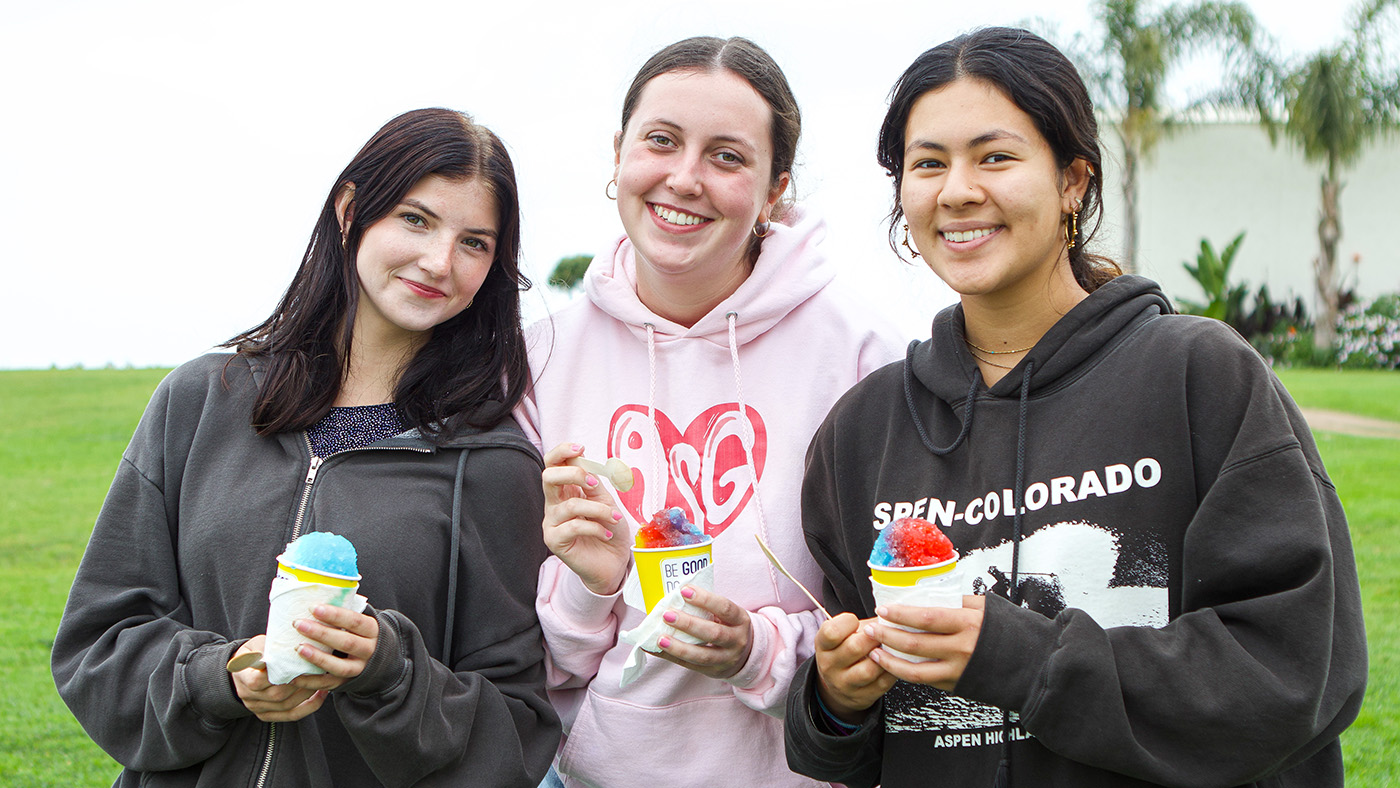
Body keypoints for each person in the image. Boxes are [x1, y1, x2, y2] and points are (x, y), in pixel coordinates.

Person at [785, 27, 1367, 788]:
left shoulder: (1199, 374)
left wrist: (1014, 655)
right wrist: (835, 700)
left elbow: (1293, 674)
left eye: (995, 156)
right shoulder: (862, 433)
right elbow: (858, 749)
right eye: (928, 163)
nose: (957, 189)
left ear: (1073, 182)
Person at [52, 108, 561, 787]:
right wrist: (219, 680)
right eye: (415, 219)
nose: (440, 261)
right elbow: (99, 643)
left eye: (474, 242)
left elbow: (516, 731)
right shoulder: (199, 400)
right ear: (352, 211)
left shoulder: (496, 464)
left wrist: (388, 674)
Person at [516, 36, 904, 788]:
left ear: (775, 191)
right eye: (661, 141)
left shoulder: (864, 354)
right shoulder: (539, 361)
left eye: (728, 157)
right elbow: (521, 659)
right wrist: (592, 585)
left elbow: (900, 612)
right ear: (619, 153)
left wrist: (757, 653)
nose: (684, 178)